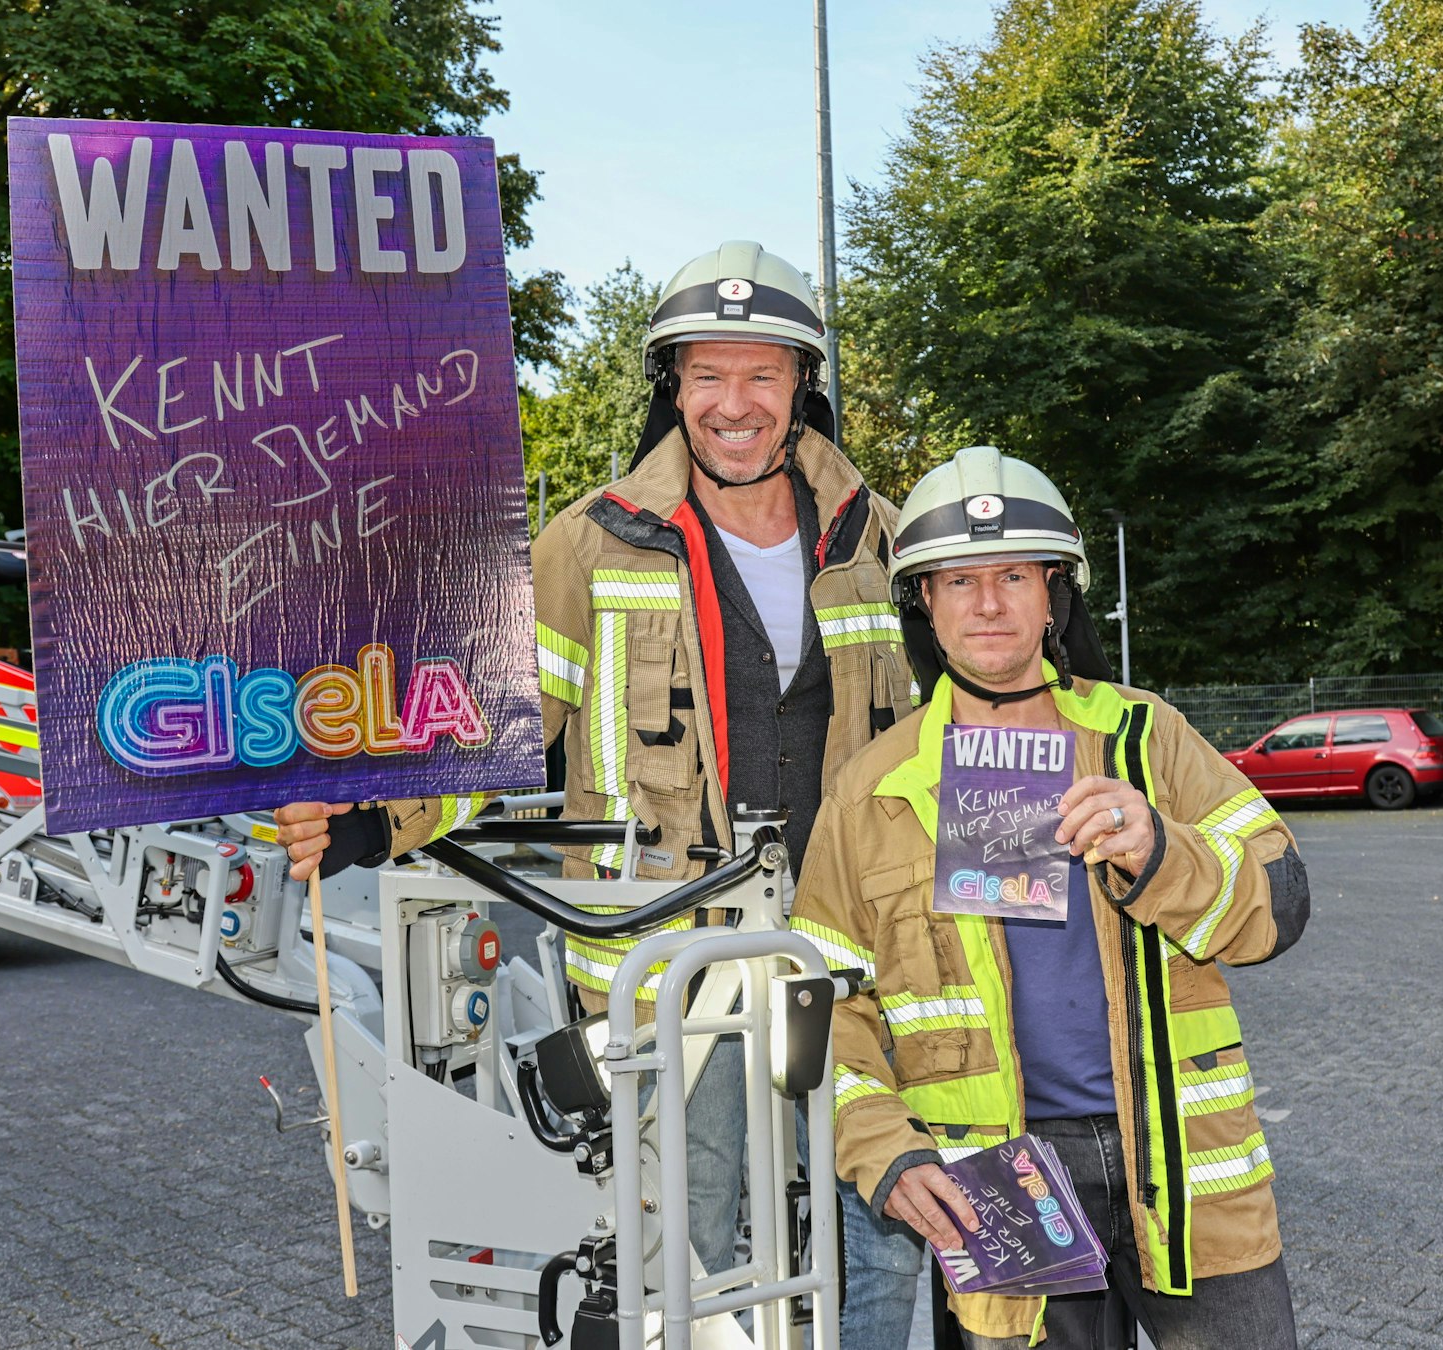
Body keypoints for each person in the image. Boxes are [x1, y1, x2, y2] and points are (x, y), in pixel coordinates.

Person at [276, 241, 924, 1347]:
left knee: (884, 1222)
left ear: (802, 386)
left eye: (763, 375)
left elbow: (951, 720)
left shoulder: (881, 536)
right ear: (671, 386)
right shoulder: (592, 539)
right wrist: (373, 816)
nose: (735, 404)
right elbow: (497, 724)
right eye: (707, 375)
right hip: (678, 966)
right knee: (708, 1257)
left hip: (849, 955)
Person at [793, 445, 1310, 1348]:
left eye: (1012, 576)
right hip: (1002, 1180)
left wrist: (1163, 850)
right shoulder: (870, 788)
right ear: (924, 601)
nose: (987, 603)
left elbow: (1284, 901)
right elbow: (825, 1001)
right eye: (957, 580)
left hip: (1188, 1167)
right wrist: (883, 1147)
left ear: (1053, 593)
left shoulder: (1151, 737)